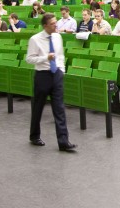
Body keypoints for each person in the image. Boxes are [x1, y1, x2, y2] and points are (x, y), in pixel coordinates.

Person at [26, 13, 77, 151]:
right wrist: (45, 58)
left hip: (56, 75)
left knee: (59, 108)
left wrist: (62, 70)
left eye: (56, 22)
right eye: (53, 23)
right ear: (45, 26)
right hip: (42, 75)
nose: (56, 25)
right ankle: (34, 135)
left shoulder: (58, 36)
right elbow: (29, 59)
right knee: (38, 107)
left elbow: (60, 55)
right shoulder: (35, 39)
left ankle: (63, 141)